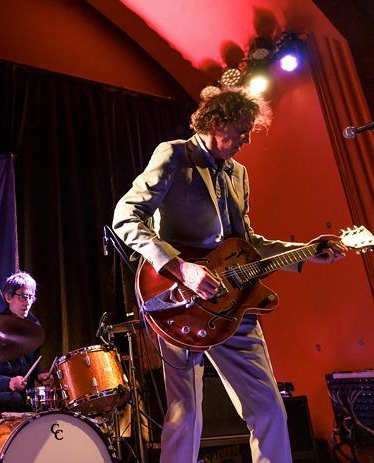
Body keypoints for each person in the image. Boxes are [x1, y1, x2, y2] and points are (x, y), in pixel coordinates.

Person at [112, 89, 346, 463]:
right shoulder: (174, 155)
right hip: (180, 302)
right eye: (241, 130)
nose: (247, 140)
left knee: (269, 409)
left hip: (234, 306)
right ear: (215, 123)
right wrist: (180, 267)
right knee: (185, 414)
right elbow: (125, 217)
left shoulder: (240, 174)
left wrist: (307, 251)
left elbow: (248, 244)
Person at [0, 271, 52, 417]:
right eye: (23, 296)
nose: (27, 302)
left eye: (31, 297)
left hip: (23, 394)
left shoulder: (33, 326)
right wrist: (8, 382)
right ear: (8, 297)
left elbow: (33, 359)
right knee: (15, 400)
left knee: (52, 401)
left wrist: (40, 374)